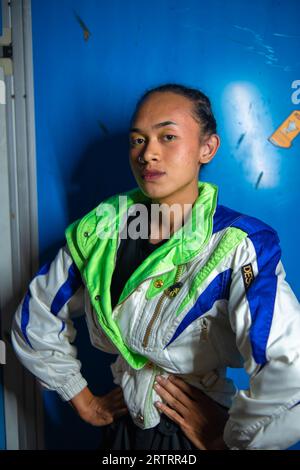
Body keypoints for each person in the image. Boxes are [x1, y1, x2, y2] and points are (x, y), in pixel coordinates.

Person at [11, 83, 300, 450]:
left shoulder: (237, 244)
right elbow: (35, 317)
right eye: (138, 140)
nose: (148, 154)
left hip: (187, 439)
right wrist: (81, 397)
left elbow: (290, 367)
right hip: (120, 434)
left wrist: (231, 441)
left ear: (206, 148)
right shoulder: (102, 233)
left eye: (167, 137)